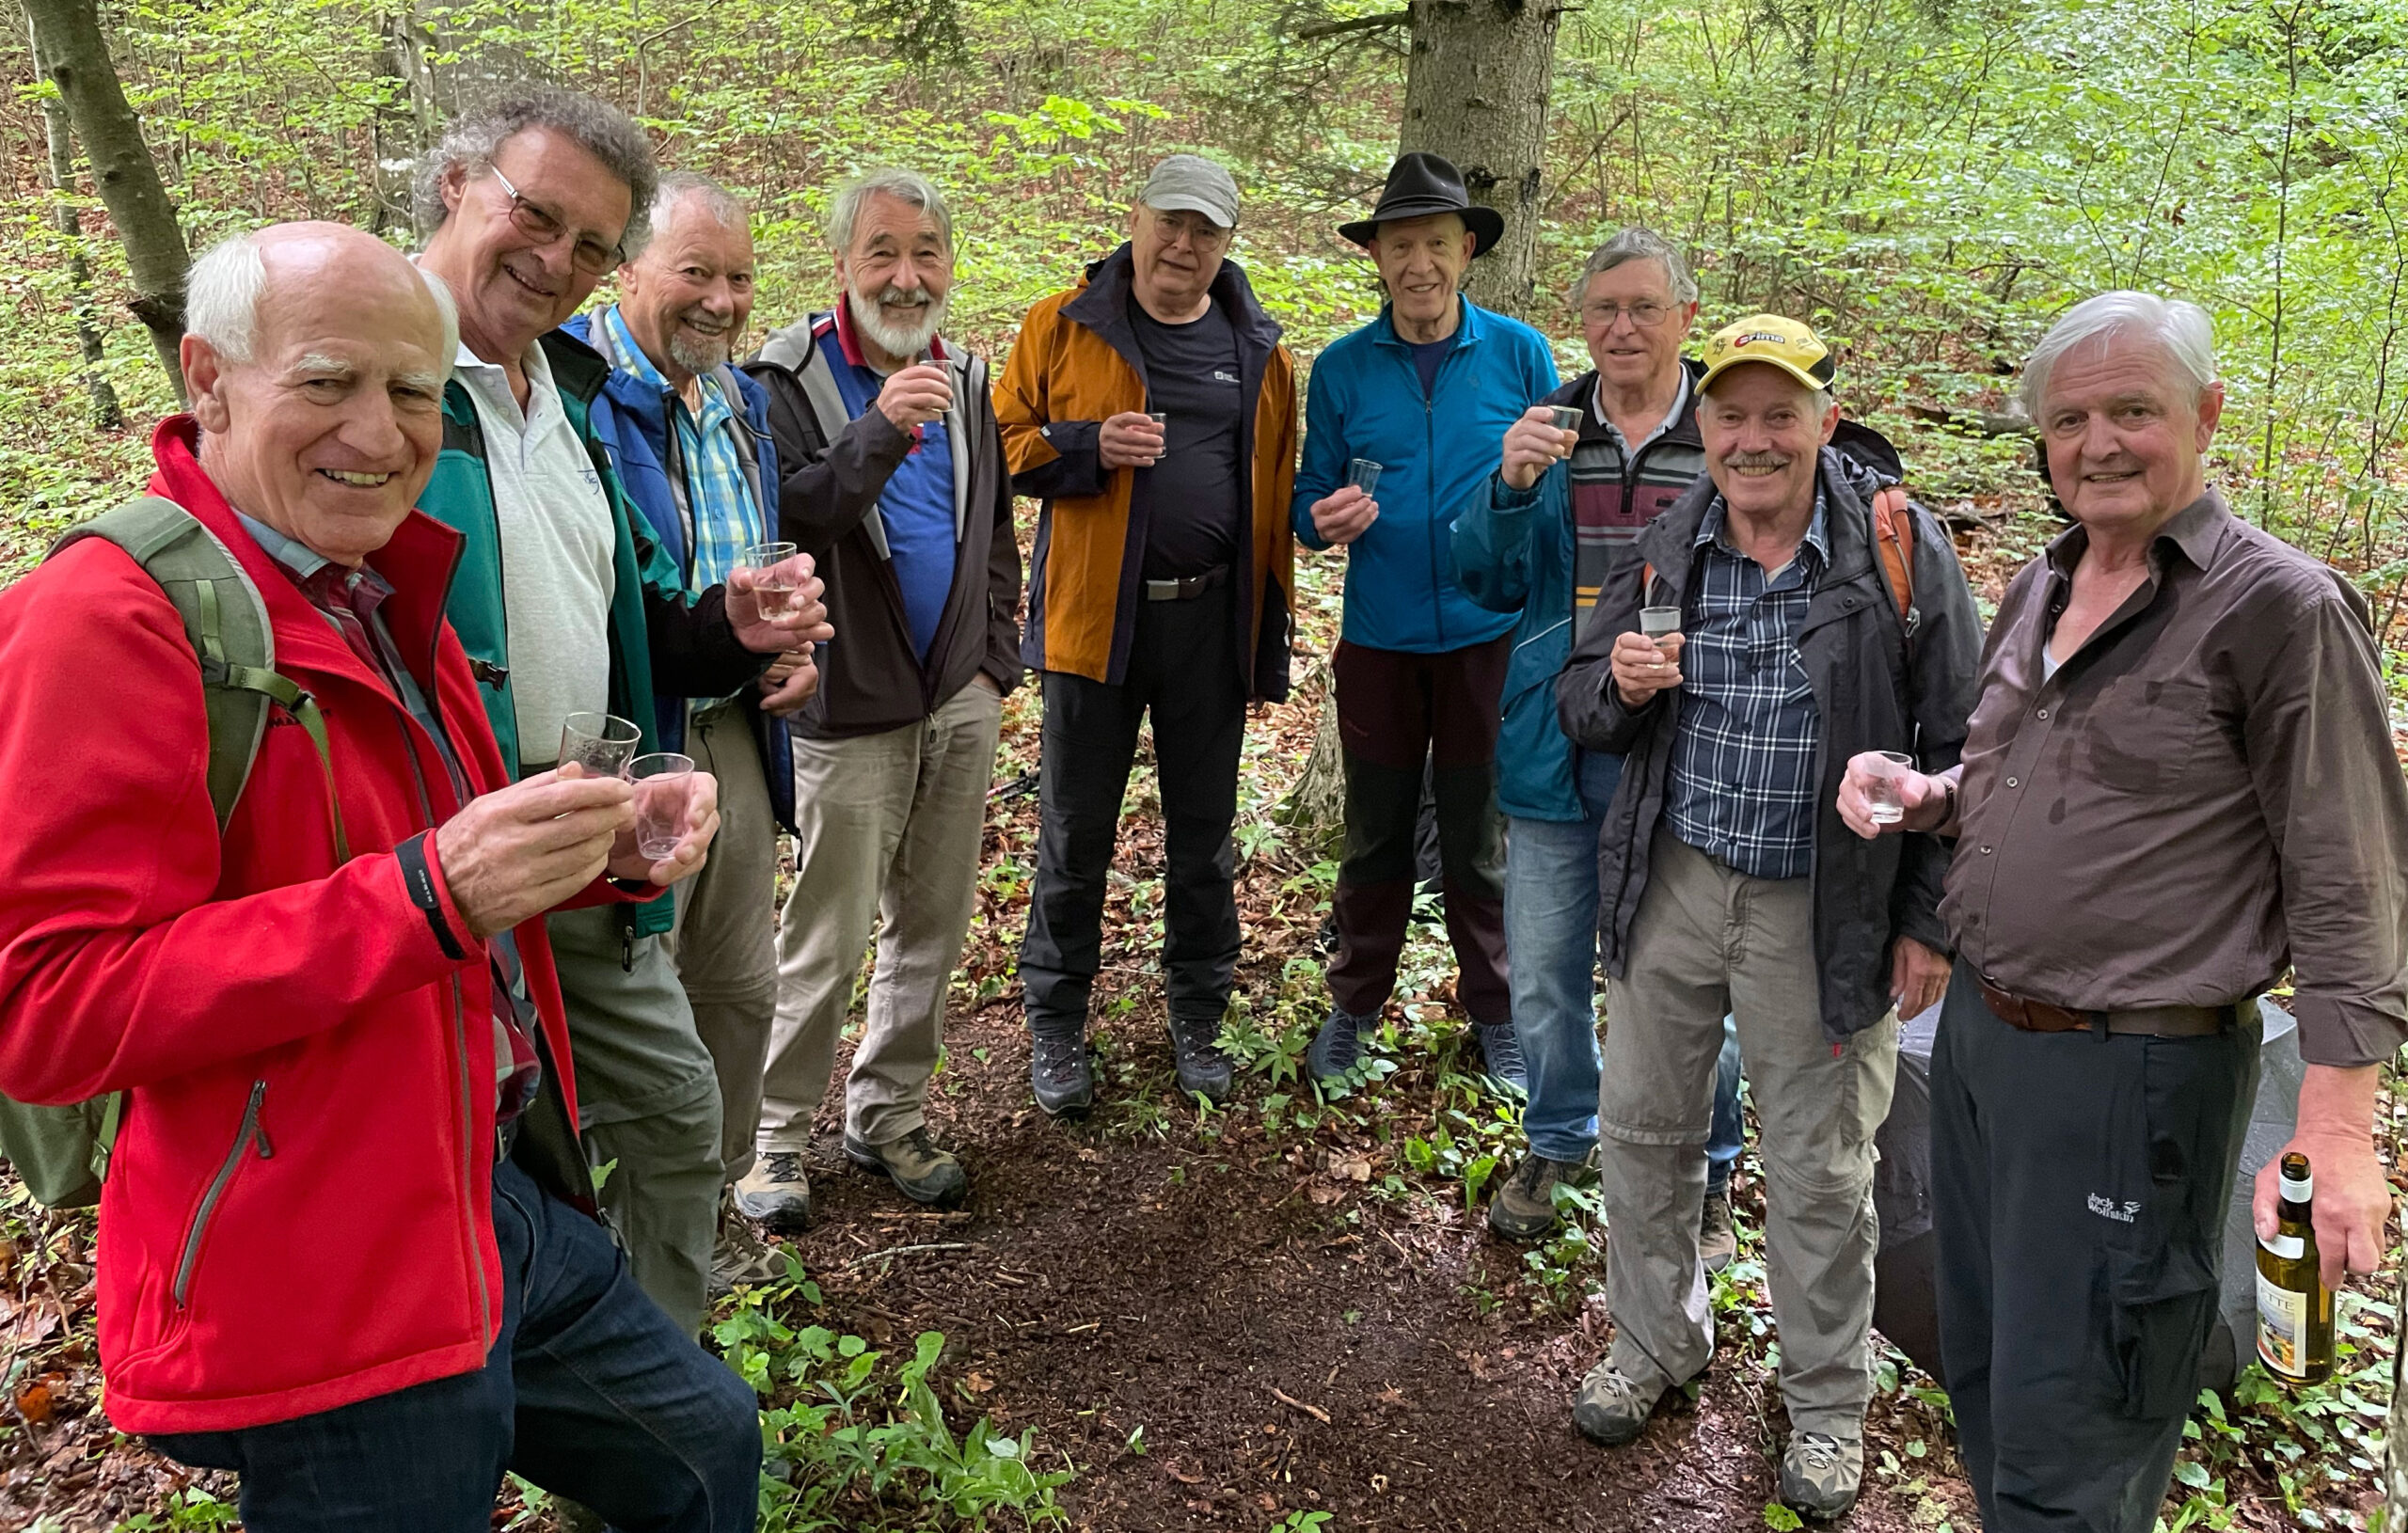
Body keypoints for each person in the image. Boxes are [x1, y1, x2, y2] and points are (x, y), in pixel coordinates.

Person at [0, 224, 758, 1531]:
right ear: (209, 376)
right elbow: (47, 1007)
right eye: (328, 380)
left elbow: (420, 868)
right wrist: (430, 893)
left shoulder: (375, 581)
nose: (381, 428)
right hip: (312, 1267)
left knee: (701, 1445)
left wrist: (592, 855)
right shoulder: (111, 616)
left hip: (486, 1185)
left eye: (413, 391)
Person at [1836, 292, 2406, 1533]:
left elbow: (2353, 877)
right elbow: (2008, 780)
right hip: (1986, 1042)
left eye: (2133, 411)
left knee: (2082, 1421)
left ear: (2204, 417)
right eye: (2071, 418)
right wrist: (1923, 795)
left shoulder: (2281, 609)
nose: (2099, 442)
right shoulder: (2044, 581)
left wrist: (2341, 1126)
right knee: (1985, 1377)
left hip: (2132, 1077)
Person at [414, 85, 826, 1337]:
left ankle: (655, 1376)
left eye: (589, 244)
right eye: (534, 216)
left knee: (671, 1103)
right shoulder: (381, 369)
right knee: (470, 1160)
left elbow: (633, 601)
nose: (556, 261)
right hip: (421, 855)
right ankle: (504, 1382)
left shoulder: (565, 390)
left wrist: (726, 628)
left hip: (585, 839)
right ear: (455, 189)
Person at [1555, 314, 1981, 1519]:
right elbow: (1578, 699)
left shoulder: (1896, 550)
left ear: (1822, 424)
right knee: (1641, 1131)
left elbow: (1968, 743)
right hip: (1677, 882)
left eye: (1777, 414)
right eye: (1731, 416)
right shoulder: (1670, 540)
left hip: (1827, 906)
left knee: (1820, 1172)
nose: (1751, 440)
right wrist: (1618, 686)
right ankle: (1654, 1341)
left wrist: (1930, 921)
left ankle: (1826, 1403)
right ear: (1705, 427)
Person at [737, 167, 1022, 1222]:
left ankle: (888, 1114)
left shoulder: (969, 374)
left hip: (955, 695)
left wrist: (998, 660)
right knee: (827, 930)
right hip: (844, 705)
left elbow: (992, 530)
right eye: (883, 255)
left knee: (932, 924)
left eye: (926, 254)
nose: (907, 278)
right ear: (843, 268)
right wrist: (880, 431)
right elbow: (783, 518)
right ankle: (771, 1140)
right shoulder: (784, 381)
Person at [997, 154, 1299, 1115]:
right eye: (1170, 221)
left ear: (1226, 244)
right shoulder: (1062, 322)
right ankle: (1054, 1019)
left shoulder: (1260, 348)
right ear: (1133, 221)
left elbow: (1280, 484)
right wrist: (1085, 445)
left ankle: (1199, 1010)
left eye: (1205, 230)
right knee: (1075, 829)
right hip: (1094, 624)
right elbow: (1003, 441)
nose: (1183, 244)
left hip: (1210, 621)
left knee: (1203, 834)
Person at [568, 169, 816, 1292]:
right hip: (644, 739)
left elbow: (753, 573)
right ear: (627, 271)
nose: (721, 301)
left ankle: (700, 1219)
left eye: (740, 278)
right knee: (640, 988)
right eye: (695, 273)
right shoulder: (581, 399)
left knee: (736, 984)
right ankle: (623, 1240)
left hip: (740, 738)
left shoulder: (741, 405)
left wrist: (790, 651)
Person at [1291, 152, 1558, 1088]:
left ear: (1465, 252)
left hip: (1491, 639)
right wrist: (1318, 520)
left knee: (1481, 839)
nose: (1419, 264)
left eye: (1436, 244)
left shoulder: (1521, 355)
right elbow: (1303, 500)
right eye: (1400, 245)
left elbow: (1552, 489)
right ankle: (1354, 1007)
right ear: (1376, 257)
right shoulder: (1340, 370)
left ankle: (1497, 1014)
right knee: (1374, 837)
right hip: (1379, 642)